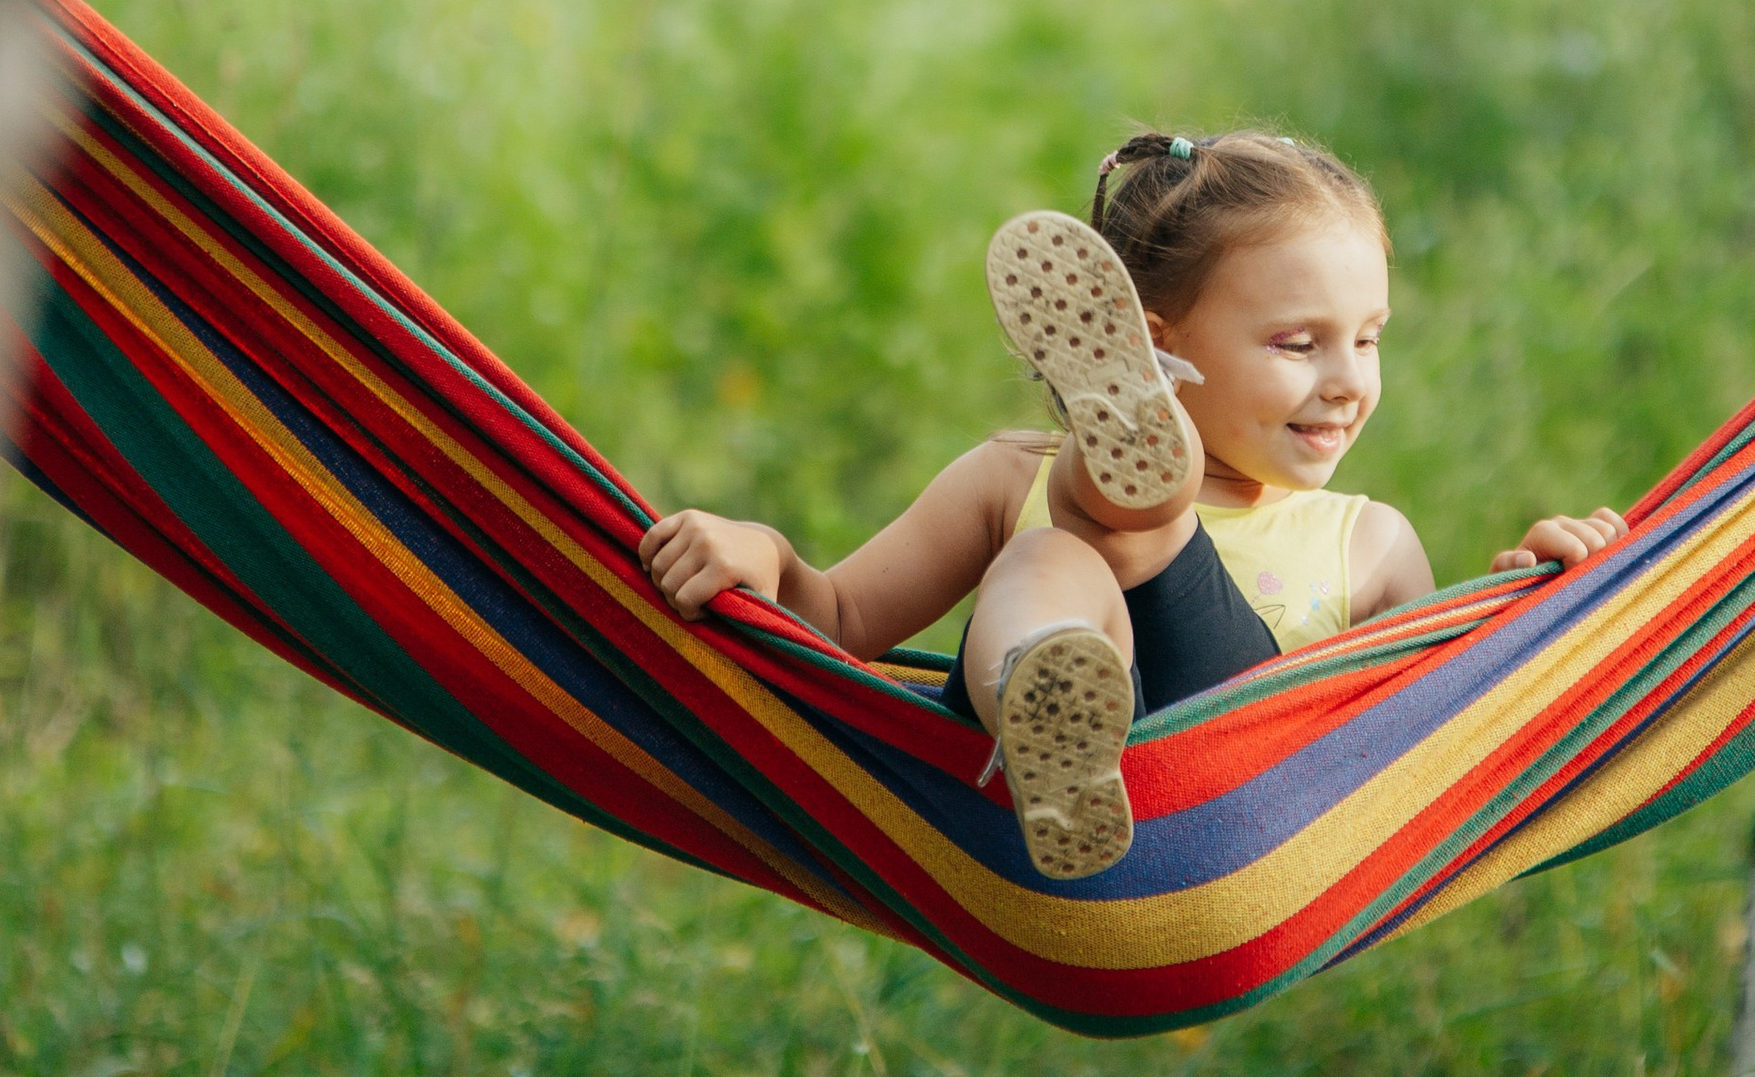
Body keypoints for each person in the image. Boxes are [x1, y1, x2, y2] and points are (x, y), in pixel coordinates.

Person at [638, 129, 1626, 883]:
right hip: (1009, 812)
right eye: (1297, 344)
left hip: (1237, 814)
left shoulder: (1368, 545)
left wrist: (1526, 603)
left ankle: (1128, 492)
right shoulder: (1001, 482)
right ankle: (1050, 707)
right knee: (1048, 560)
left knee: (1085, 531)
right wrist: (766, 557)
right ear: (1159, 345)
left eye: (1367, 339)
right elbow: (837, 622)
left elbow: (1432, 739)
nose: (1346, 381)